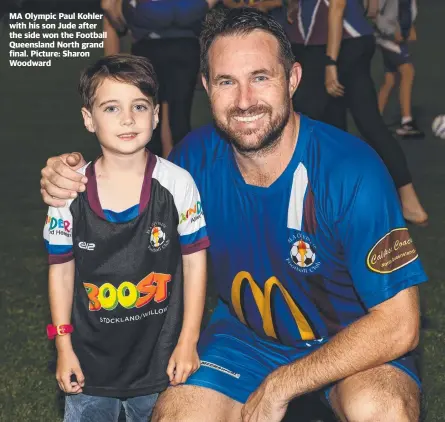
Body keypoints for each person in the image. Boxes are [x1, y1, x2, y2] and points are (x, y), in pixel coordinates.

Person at [40, 8, 425, 422]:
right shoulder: (192, 163)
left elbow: (400, 324)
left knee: (382, 409)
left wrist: (283, 384)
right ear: (206, 86)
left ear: (293, 79)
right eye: (227, 82)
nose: (244, 101)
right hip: (247, 340)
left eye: (261, 77)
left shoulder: (351, 171)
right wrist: (67, 175)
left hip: (351, 343)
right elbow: (120, 183)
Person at [43, 54, 209, 421]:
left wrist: (188, 340)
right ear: (89, 118)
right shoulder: (68, 192)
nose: (128, 118)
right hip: (90, 365)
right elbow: (61, 272)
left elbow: (195, 264)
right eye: (111, 108)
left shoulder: (177, 185)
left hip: (159, 362)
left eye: (139, 105)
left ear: (156, 115)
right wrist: (63, 345)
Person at [281, 0, 428, 226]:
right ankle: (407, 202)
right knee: (350, 125)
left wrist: (331, 63)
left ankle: (322, 202)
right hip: (347, 40)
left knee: (316, 125)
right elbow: (371, 8)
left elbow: (338, 6)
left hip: (334, 45)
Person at [100, 0, 220, 158]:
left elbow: (107, 6)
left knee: (148, 115)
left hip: (149, 46)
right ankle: (181, 168)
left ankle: (153, 171)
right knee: (179, 118)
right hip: (186, 46)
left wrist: (123, 24)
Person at [376, 0, 424, 139]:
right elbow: (382, 12)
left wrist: (409, 27)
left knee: (390, 79)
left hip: (387, 36)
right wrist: (398, 31)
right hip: (390, 38)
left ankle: (375, 119)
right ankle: (407, 123)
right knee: (408, 72)